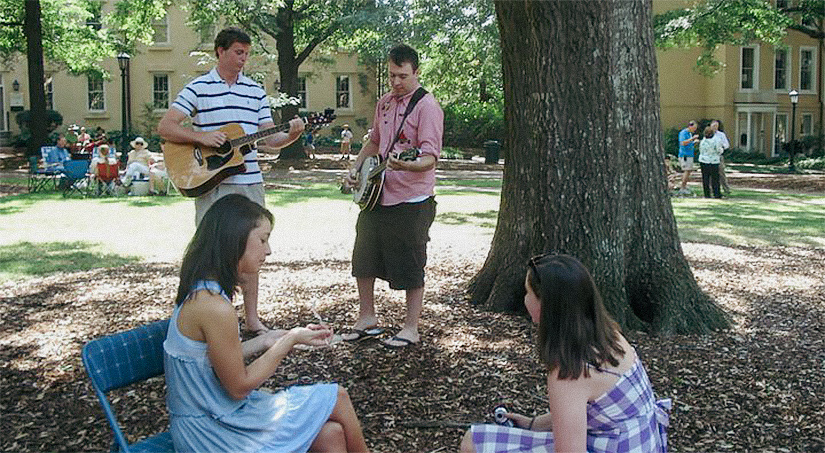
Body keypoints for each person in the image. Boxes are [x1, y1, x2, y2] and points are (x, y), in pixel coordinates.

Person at [164, 194, 370, 453]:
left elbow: (208, 360)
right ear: (234, 240)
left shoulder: (203, 290)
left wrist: (266, 339)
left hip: (219, 416)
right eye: (262, 239)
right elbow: (239, 386)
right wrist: (288, 340)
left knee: (331, 435)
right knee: (337, 396)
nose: (269, 250)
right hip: (210, 432)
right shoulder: (213, 306)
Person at [158, 26, 305, 336]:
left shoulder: (254, 91)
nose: (243, 59)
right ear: (220, 52)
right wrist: (202, 137)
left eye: (247, 54)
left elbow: (268, 138)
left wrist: (291, 134)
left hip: (249, 182)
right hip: (211, 183)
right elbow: (167, 127)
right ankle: (206, 318)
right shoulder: (198, 88)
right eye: (238, 52)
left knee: (253, 251)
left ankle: (251, 319)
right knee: (209, 251)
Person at [460, 254, 670, 453]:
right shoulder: (609, 336)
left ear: (547, 305)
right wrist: (533, 424)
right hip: (634, 444)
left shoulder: (571, 371)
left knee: (473, 442)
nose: (524, 299)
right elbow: (589, 412)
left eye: (527, 292)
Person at [342, 44, 443, 348]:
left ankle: (410, 328)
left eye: (402, 76)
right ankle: (367, 318)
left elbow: (430, 157)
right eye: (391, 76)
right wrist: (356, 167)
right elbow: (375, 141)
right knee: (364, 257)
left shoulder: (428, 107)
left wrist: (406, 165)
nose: (396, 82)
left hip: (411, 200)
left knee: (411, 262)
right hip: (377, 195)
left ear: (416, 72)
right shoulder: (385, 103)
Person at [699, 125, 724, 199]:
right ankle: (716, 193)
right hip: (714, 161)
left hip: (703, 160)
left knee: (705, 178)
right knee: (715, 178)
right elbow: (718, 150)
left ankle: (707, 194)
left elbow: (701, 150)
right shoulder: (716, 140)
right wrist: (721, 150)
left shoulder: (703, 141)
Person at [677, 120, 699, 195]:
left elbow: (689, 143)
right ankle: (682, 187)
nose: (695, 129)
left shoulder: (690, 134)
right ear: (690, 126)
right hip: (685, 155)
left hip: (690, 154)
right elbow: (683, 143)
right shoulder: (684, 133)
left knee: (689, 171)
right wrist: (692, 139)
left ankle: (684, 185)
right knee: (686, 170)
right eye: (694, 127)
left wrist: (694, 143)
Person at [711, 119, 731, 195]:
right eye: (714, 126)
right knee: (711, 174)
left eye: (716, 126)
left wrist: (721, 147)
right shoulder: (708, 134)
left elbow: (726, 145)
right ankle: (711, 189)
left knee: (721, 172)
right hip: (710, 156)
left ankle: (726, 188)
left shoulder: (721, 135)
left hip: (719, 155)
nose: (715, 127)